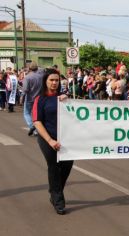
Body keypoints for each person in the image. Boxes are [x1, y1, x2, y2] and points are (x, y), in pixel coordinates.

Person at [32, 69, 73, 215]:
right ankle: (58, 200)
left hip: (65, 138)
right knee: (54, 167)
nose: (54, 83)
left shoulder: (63, 98)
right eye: (51, 80)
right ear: (45, 81)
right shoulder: (40, 99)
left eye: (56, 80)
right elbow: (37, 122)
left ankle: (54, 190)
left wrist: (67, 99)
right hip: (47, 138)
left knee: (67, 165)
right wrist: (50, 140)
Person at [20, 62, 43, 136]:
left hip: (30, 98)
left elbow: (25, 89)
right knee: (36, 114)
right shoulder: (41, 77)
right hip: (39, 98)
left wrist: (21, 98)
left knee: (26, 113)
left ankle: (32, 126)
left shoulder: (27, 77)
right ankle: (36, 130)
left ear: (29, 68)